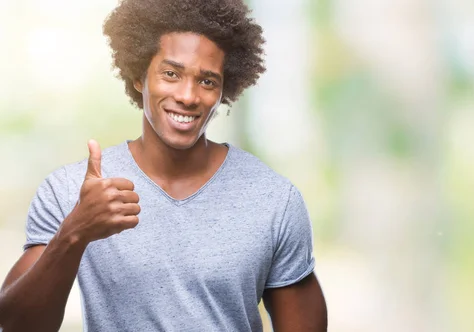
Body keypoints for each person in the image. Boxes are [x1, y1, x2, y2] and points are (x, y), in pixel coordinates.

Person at [0, 0, 327, 330]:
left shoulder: (273, 200)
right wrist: (74, 232)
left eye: (207, 81)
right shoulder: (70, 192)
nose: (188, 95)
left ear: (224, 90)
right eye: (171, 74)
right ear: (139, 77)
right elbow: (16, 326)